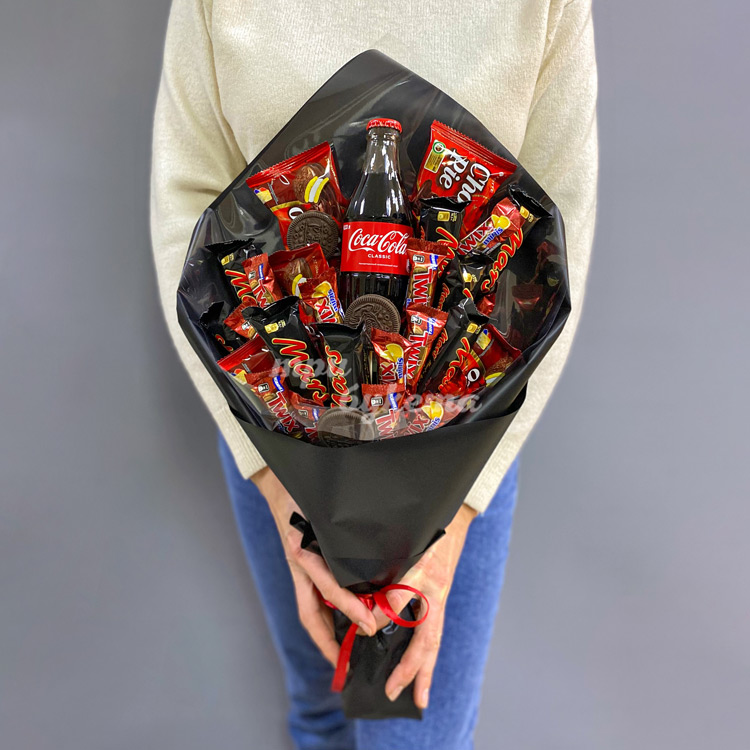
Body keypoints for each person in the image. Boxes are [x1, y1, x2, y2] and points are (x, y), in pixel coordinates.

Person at [150, 1, 598, 747]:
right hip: (272, 437)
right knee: (320, 708)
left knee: (411, 733)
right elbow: (185, 204)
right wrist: (275, 483)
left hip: (457, 461)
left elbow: (559, 247)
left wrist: (455, 515)